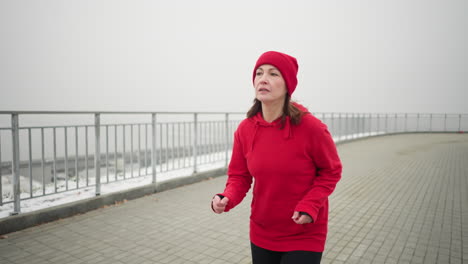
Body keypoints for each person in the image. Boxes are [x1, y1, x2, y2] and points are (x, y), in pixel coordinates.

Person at [211, 51, 342, 264]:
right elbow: (239, 176)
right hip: (262, 231)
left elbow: (331, 171)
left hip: (304, 232)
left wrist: (310, 205)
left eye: (273, 74)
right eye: (259, 73)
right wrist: (227, 197)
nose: (263, 79)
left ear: (287, 84)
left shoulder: (312, 128)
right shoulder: (245, 129)